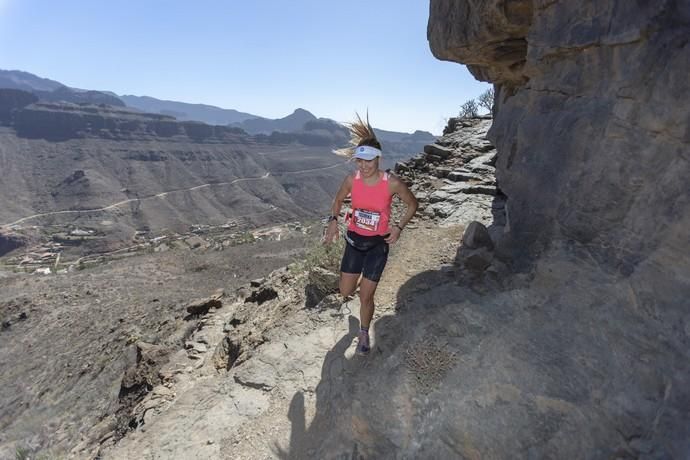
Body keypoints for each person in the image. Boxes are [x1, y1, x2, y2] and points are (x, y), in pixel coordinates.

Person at [324, 114, 418, 355]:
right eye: (359, 161)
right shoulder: (351, 180)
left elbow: (412, 205)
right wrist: (334, 221)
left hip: (377, 245)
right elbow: (337, 200)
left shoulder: (391, 183)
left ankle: (364, 332)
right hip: (354, 242)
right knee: (345, 292)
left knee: (366, 296)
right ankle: (358, 286)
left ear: (379, 158)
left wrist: (398, 227)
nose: (363, 166)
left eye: (368, 161)